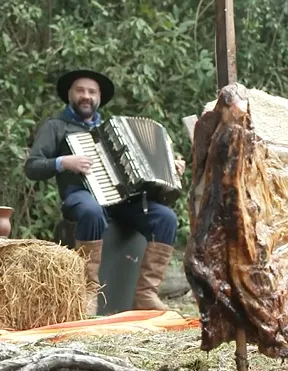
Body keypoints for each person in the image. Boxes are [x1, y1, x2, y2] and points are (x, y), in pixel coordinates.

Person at [24, 69, 186, 314]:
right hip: (80, 195)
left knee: (166, 218)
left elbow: (142, 176)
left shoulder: (113, 130)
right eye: (80, 90)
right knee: (91, 210)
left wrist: (171, 170)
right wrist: (64, 162)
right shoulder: (56, 127)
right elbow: (32, 166)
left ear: (99, 97)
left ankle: (146, 295)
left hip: (120, 201)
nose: (86, 96)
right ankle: (89, 292)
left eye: (92, 91)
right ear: (70, 94)